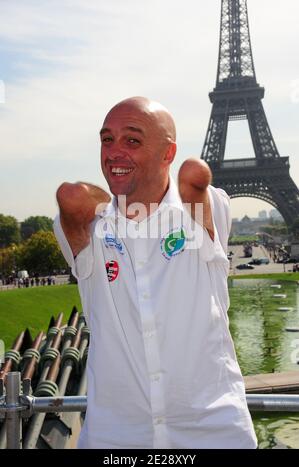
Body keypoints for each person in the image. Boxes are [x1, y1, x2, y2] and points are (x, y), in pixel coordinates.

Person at [54, 96, 257, 449]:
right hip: (116, 440)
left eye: (132, 140)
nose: (114, 150)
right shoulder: (92, 230)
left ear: (167, 153)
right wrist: (121, 206)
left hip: (213, 434)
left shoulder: (202, 214)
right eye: (107, 139)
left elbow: (195, 175)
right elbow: (71, 196)